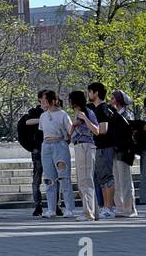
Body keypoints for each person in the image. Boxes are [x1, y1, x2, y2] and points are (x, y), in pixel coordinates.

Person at [18, 97, 58, 217]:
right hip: (38, 150)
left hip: (52, 149)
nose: (47, 103)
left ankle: (56, 205)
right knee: (37, 179)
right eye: (45, 100)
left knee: (54, 178)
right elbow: (26, 123)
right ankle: (38, 206)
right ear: (40, 100)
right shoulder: (34, 113)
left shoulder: (54, 112)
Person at [36, 90, 73, 219]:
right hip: (46, 146)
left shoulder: (63, 114)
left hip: (60, 145)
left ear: (52, 100)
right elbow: (42, 130)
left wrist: (66, 140)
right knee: (49, 178)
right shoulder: (43, 116)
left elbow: (70, 131)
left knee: (64, 178)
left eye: (45, 99)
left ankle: (69, 208)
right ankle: (51, 208)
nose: (42, 101)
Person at [68, 90, 101, 221]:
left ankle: (88, 213)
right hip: (79, 145)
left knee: (85, 180)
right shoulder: (77, 114)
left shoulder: (87, 113)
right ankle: (93, 211)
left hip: (85, 146)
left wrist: (84, 118)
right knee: (84, 180)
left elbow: (96, 130)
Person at [86, 83, 116, 218]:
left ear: (96, 93)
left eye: (90, 92)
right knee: (102, 178)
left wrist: (87, 121)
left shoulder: (103, 109)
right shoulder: (96, 109)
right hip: (100, 147)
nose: (88, 94)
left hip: (105, 146)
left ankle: (109, 207)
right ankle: (105, 206)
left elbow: (103, 130)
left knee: (107, 177)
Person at [110, 91, 137, 217]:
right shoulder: (114, 114)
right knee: (117, 180)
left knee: (125, 180)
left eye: (113, 98)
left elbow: (129, 132)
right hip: (115, 150)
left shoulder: (127, 114)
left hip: (124, 150)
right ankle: (120, 206)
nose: (111, 99)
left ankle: (129, 208)